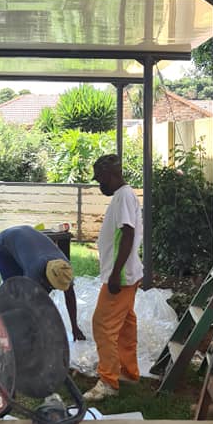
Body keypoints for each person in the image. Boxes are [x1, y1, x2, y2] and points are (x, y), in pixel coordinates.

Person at [84, 154, 143, 401]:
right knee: (126, 325)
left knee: (103, 324)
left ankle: (108, 381)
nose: (99, 185)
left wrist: (116, 273)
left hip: (122, 276)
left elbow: (127, 234)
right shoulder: (123, 196)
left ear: (111, 174)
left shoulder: (124, 197)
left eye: (100, 179)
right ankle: (128, 373)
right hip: (127, 274)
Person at [0, 224, 86, 341]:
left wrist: (75, 327)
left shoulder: (64, 268)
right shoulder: (34, 270)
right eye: (54, 286)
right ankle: (7, 329)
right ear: (45, 278)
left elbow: (70, 297)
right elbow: (30, 301)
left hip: (25, 237)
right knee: (14, 292)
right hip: (5, 244)